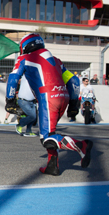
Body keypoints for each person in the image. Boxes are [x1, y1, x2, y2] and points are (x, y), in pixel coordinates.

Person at [6, 33, 92, 175]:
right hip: (63, 96)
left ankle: (81, 146)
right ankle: (52, 166)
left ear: (25, 46)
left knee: (47, 138)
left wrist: (9, 100)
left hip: (47, 97)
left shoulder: (25, 58)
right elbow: (74, 81)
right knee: (51, 134)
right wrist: (73, 105)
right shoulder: (56, 60)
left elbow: (13, 77)